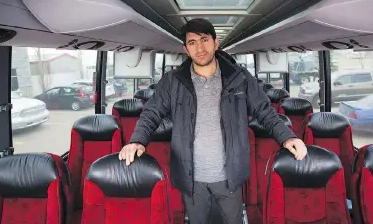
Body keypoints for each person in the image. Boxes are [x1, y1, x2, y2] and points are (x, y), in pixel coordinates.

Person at [119, 18, 307, 224]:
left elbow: (264, 111)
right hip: (191, 179)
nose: (199, 48)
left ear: (216, 43)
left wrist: (288, 137)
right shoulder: (172, 81)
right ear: (186, 49)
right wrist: (137, 141)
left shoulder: (240, 77)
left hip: (230, 176)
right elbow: (151, 113)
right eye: (192, 43)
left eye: (204, 39)